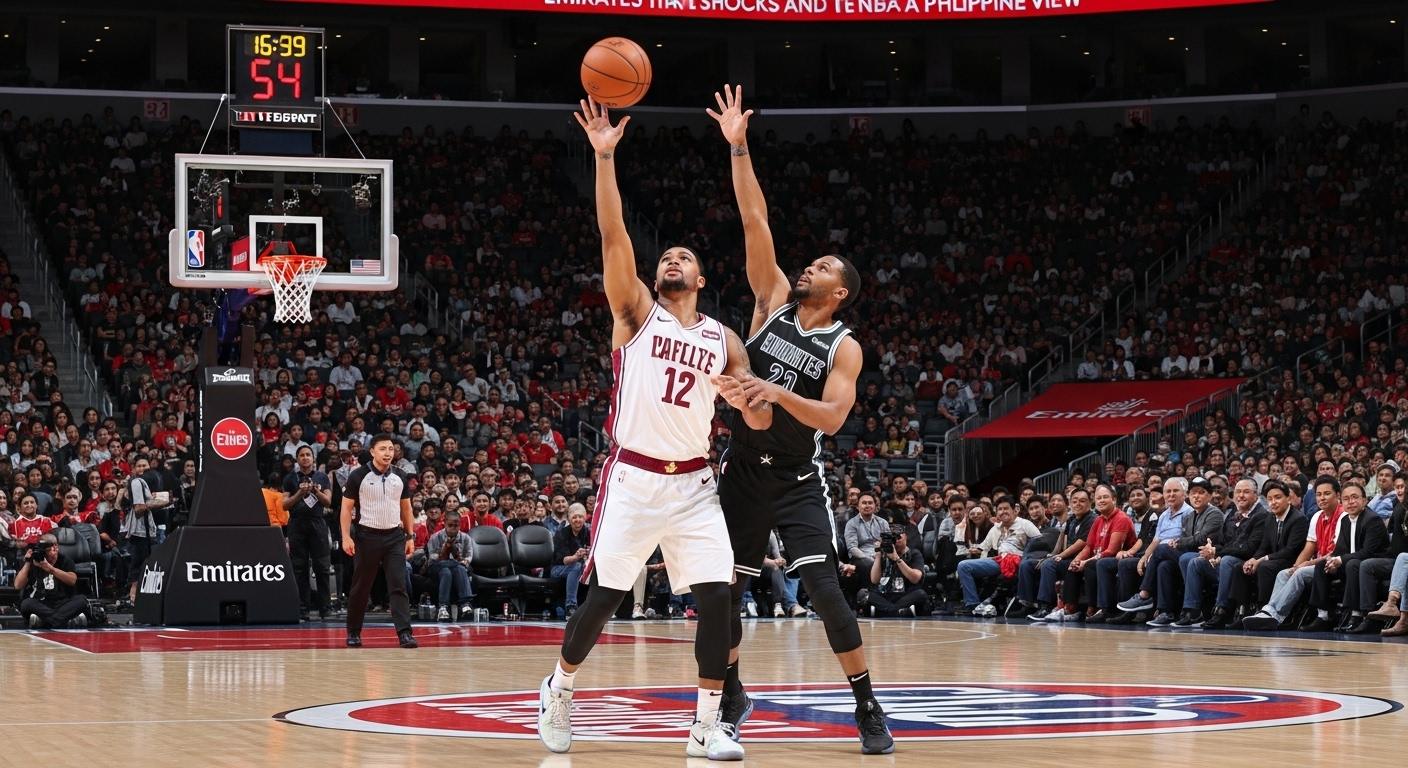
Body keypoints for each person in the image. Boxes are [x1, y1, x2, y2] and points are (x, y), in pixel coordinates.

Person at [536, 97, 772, 762]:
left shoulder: (725, 339)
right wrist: (604, 157)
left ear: (700, 277)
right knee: (605, 598)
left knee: (719, 599)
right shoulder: (638, 313)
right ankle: (559, 688)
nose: (671, 259)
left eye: (683, 256)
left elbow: (756, 418)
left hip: (695, 482)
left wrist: (747, 395)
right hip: (635, 476)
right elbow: (614, 237)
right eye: (665, 254)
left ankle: (705, 726)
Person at [340, 433, 418, 649]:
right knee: (361, 587)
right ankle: (353, 632)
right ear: (372, 451)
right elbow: (346, 509)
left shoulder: (400, 476)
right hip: (367, 537)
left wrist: (410, 536)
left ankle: (404, 633)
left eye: (391, 449)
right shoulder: (357, 476)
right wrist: (346, 537)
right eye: (383, 449)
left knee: (398, 586)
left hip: (394, 537)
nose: (387, 453)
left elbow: (406, 509)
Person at [284, 445, 333, 621]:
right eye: (302, 455)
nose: (305, 458)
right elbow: (284, 505)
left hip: (317, 524)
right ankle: (302, 609)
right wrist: (300, 493)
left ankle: (325, 609)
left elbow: (328, 502)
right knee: (299, 568)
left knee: (322, 567)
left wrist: (315, 490)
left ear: (313, 458)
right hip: (297, 524)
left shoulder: (322, 477)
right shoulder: (290, 478)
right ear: (297, 459)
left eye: (308, 455)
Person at [17, 534, 89, 628]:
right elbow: (18, 585)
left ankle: (46, 621)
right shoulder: (36, 560)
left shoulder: (65, 560)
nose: (44, 554)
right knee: (26, 604)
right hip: (42, 603)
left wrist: (51, 569)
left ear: (55, 548)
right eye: (43, 551)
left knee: (82, 600)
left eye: (46, 551)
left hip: (63, 603)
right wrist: (27, 562)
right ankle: (64, 620)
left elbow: (72, 580)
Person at [859, 524, 928, 617]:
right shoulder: (883, 554)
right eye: (893, 539)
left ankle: (883, 612)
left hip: (905, 595)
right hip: (885, 594)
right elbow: (874, 580)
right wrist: (878, 555)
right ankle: (899, 612)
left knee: (921, 594)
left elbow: (915, 578)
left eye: (899, 538)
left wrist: (896, 558)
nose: (896, 542)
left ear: (906, 537)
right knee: (863, 595)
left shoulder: (914, 553)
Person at [425, 511, 473, 620]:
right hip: (436, 566)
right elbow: (432, 558)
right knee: (450, 567)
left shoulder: (465, 538)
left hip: (456, 567)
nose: (453, 528)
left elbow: (469, 557)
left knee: (452, 570)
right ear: (445, 524)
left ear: (460, 525)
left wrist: (462, 560)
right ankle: (451, 605)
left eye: (456, 526)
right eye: (450, 525)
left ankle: (453, 606)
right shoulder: (435, 537)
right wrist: (444, 550)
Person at [551, 506, 591, 616]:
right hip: (557, 568)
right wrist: (575, 556)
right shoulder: (561, 534)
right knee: (576, 566)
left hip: (581, 567)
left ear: (584, 518)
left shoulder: (588, 532)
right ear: (569, 519)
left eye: (580, 517)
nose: (577, 520)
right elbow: (562, 560)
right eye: (574, 517)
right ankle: (571, 606)